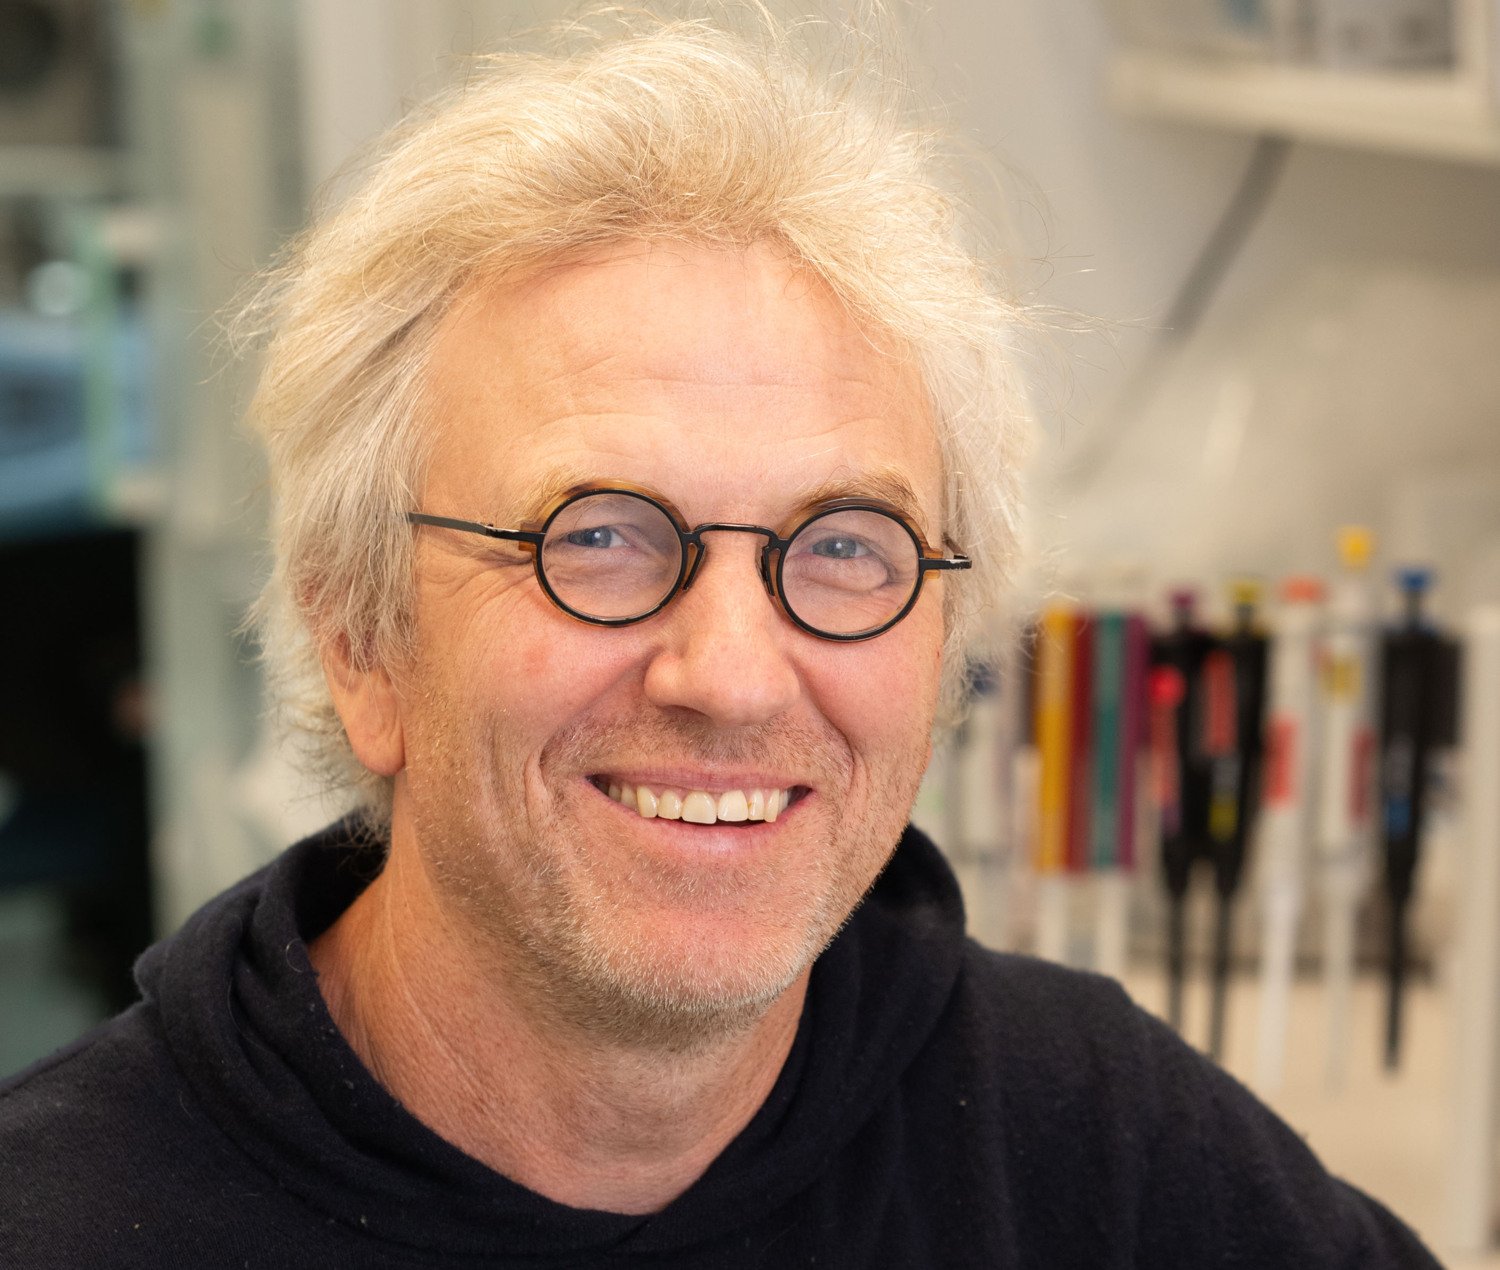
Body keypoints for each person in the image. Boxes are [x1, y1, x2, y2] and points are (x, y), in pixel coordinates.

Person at [0, 7, 1442, 1267]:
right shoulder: (65, 1219)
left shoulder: (1096, 1149)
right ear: (362, 637)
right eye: (602, 539)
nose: (737, 675)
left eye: (842, 548)